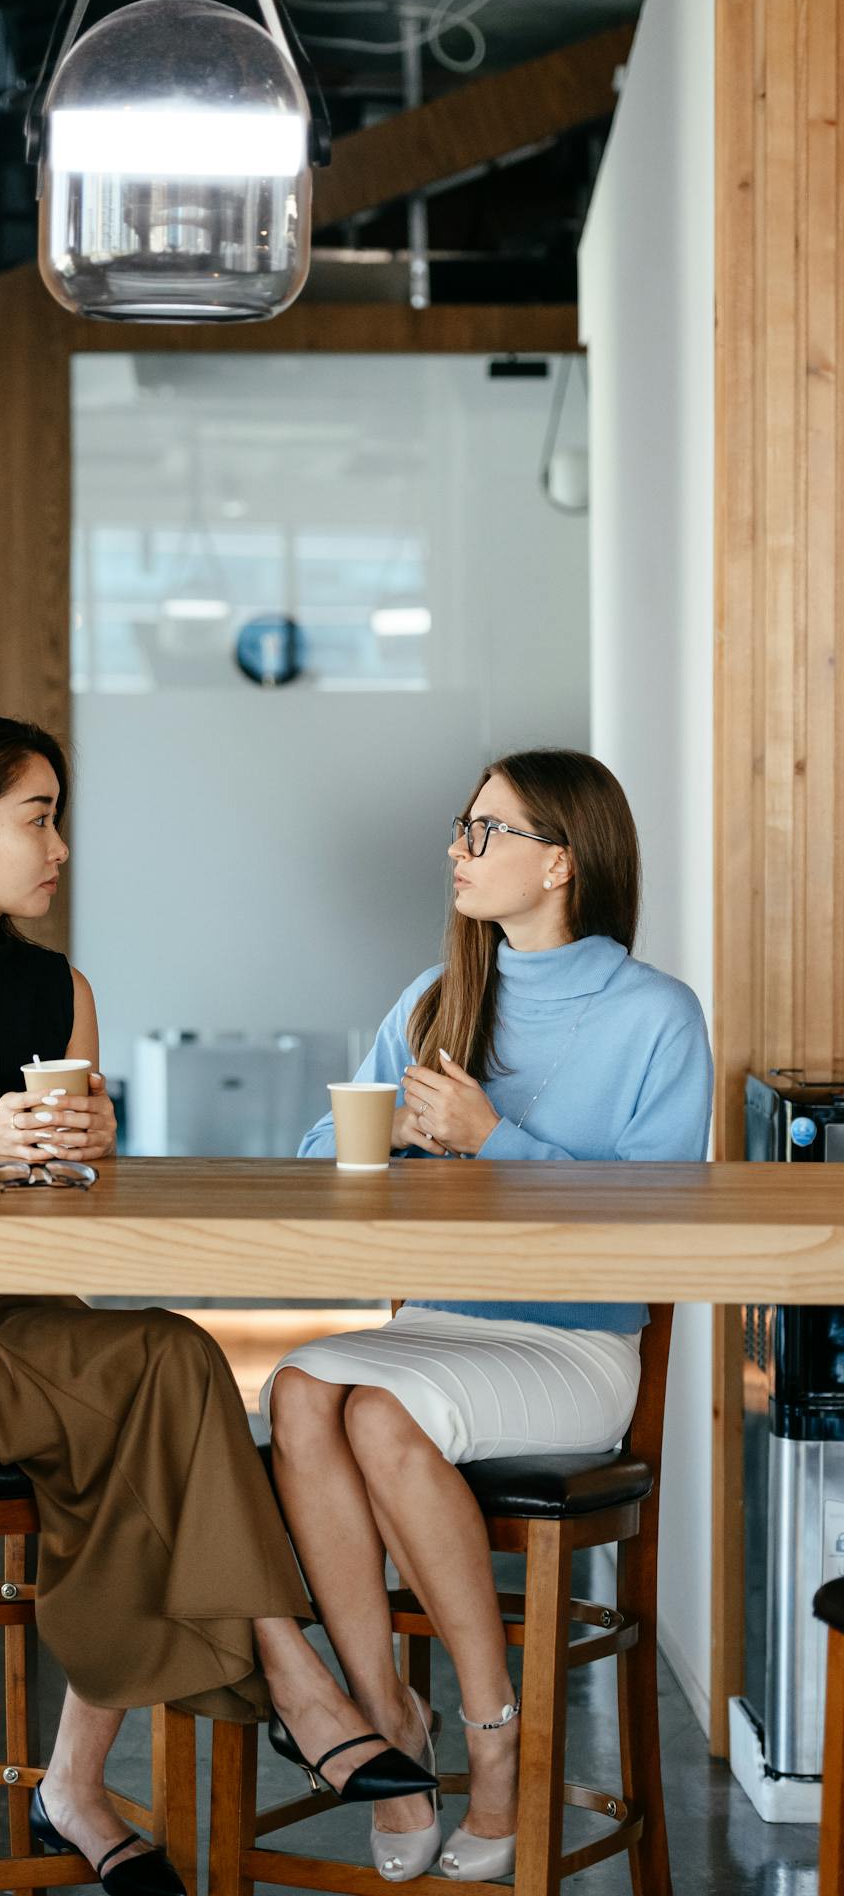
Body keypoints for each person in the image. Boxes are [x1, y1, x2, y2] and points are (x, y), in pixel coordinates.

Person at [0, 709, 433, 1896]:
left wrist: (86, 1157)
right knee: (164, 1371)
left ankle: (83, 1786)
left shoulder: (58, 991)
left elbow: (68, 1203)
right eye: (35, 819)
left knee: (156, 1390)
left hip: (21, 1326)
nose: (59, 846)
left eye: (56, 819)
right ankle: (292, 1678)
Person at [263, 748, 712, 1883]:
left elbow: (660, 1218)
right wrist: (400, 1140)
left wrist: (491, 1142)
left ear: (558, 861)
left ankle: (494, 1734)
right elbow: (323, 1151)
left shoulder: (655, 1013)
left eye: (484, 832)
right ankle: (385, 1726)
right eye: (458, 829)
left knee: (370, 1412)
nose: (455, 852)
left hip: (573, 1343)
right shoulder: (432, 998)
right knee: (303, 1387)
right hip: (442, 1331)